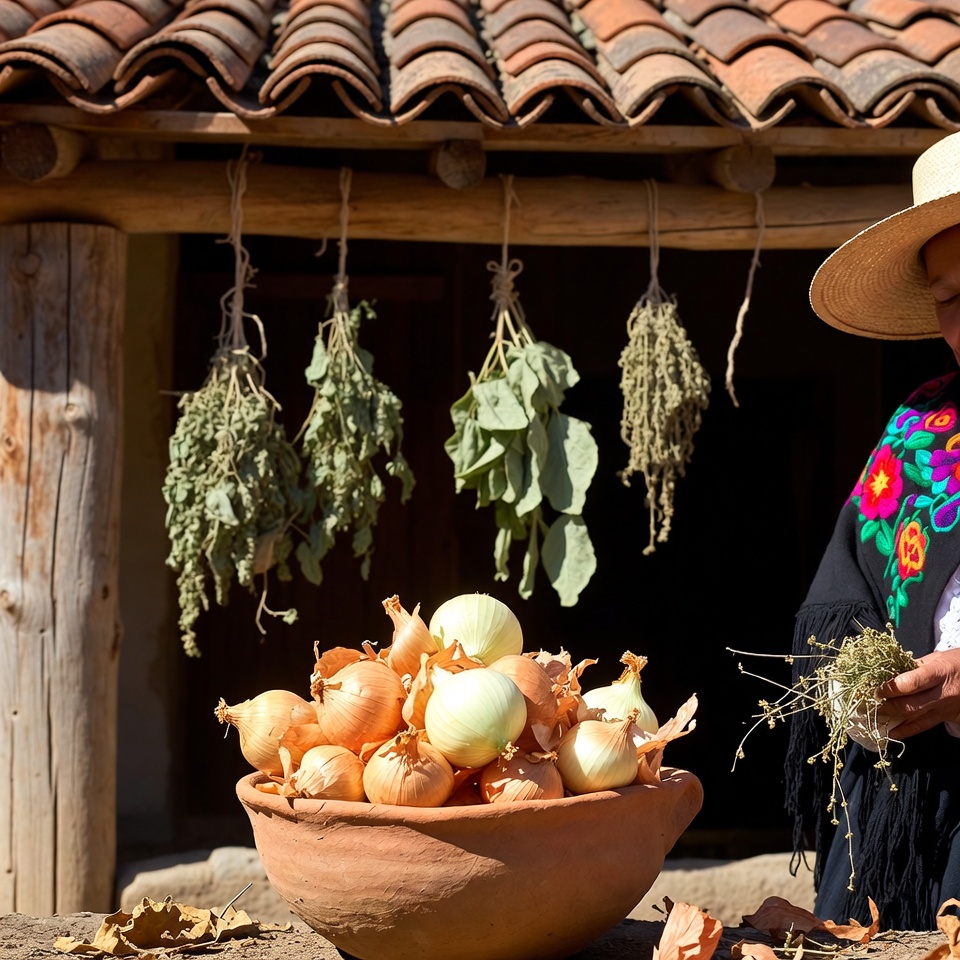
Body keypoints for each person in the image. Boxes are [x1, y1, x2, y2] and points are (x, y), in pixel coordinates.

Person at [787, 130, 960, 931]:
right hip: (917, 818)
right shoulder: (922, 432)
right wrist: (861, 696)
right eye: (953, 298)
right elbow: (842, 599)